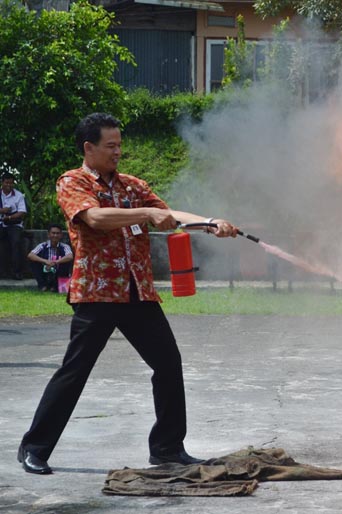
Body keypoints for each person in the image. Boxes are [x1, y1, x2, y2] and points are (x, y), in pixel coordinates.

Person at [18, 113, 239, 475]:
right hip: (97, 294)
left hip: (137, 291)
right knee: (75, 371)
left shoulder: (132, 185)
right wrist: (148, 213)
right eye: (111, 146)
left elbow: (168, 214)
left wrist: (209, 221)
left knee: (168, 364)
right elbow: (95, 218)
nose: (118, 151)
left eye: (120, 144)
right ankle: (34, 448)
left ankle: (167, 448)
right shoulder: (72, 182)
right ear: (89, 148)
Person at [27, 223, 73, 292]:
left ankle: (55, 287)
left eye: (58, 233)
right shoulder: (42, 245)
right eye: (53, 233)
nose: (55, 235)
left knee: (66, 262)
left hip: (58, 270)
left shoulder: (65, 246)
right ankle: (43, 285)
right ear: (48, 234)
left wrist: (56, 262)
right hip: (45, 270)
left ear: (61, 235)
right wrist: (45, 261)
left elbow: (70, 256)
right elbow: (30, 255)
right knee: (33, 261)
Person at [0, 172, 28, 279]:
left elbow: (22, 212)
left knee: (16, 243)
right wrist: (2, 211)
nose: (9, 185)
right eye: (6, 182)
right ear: (2, 182)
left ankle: (17, 272)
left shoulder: (18, 195)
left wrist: (10, 217)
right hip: (1, 224)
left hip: (14, 224)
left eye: (11, 183)